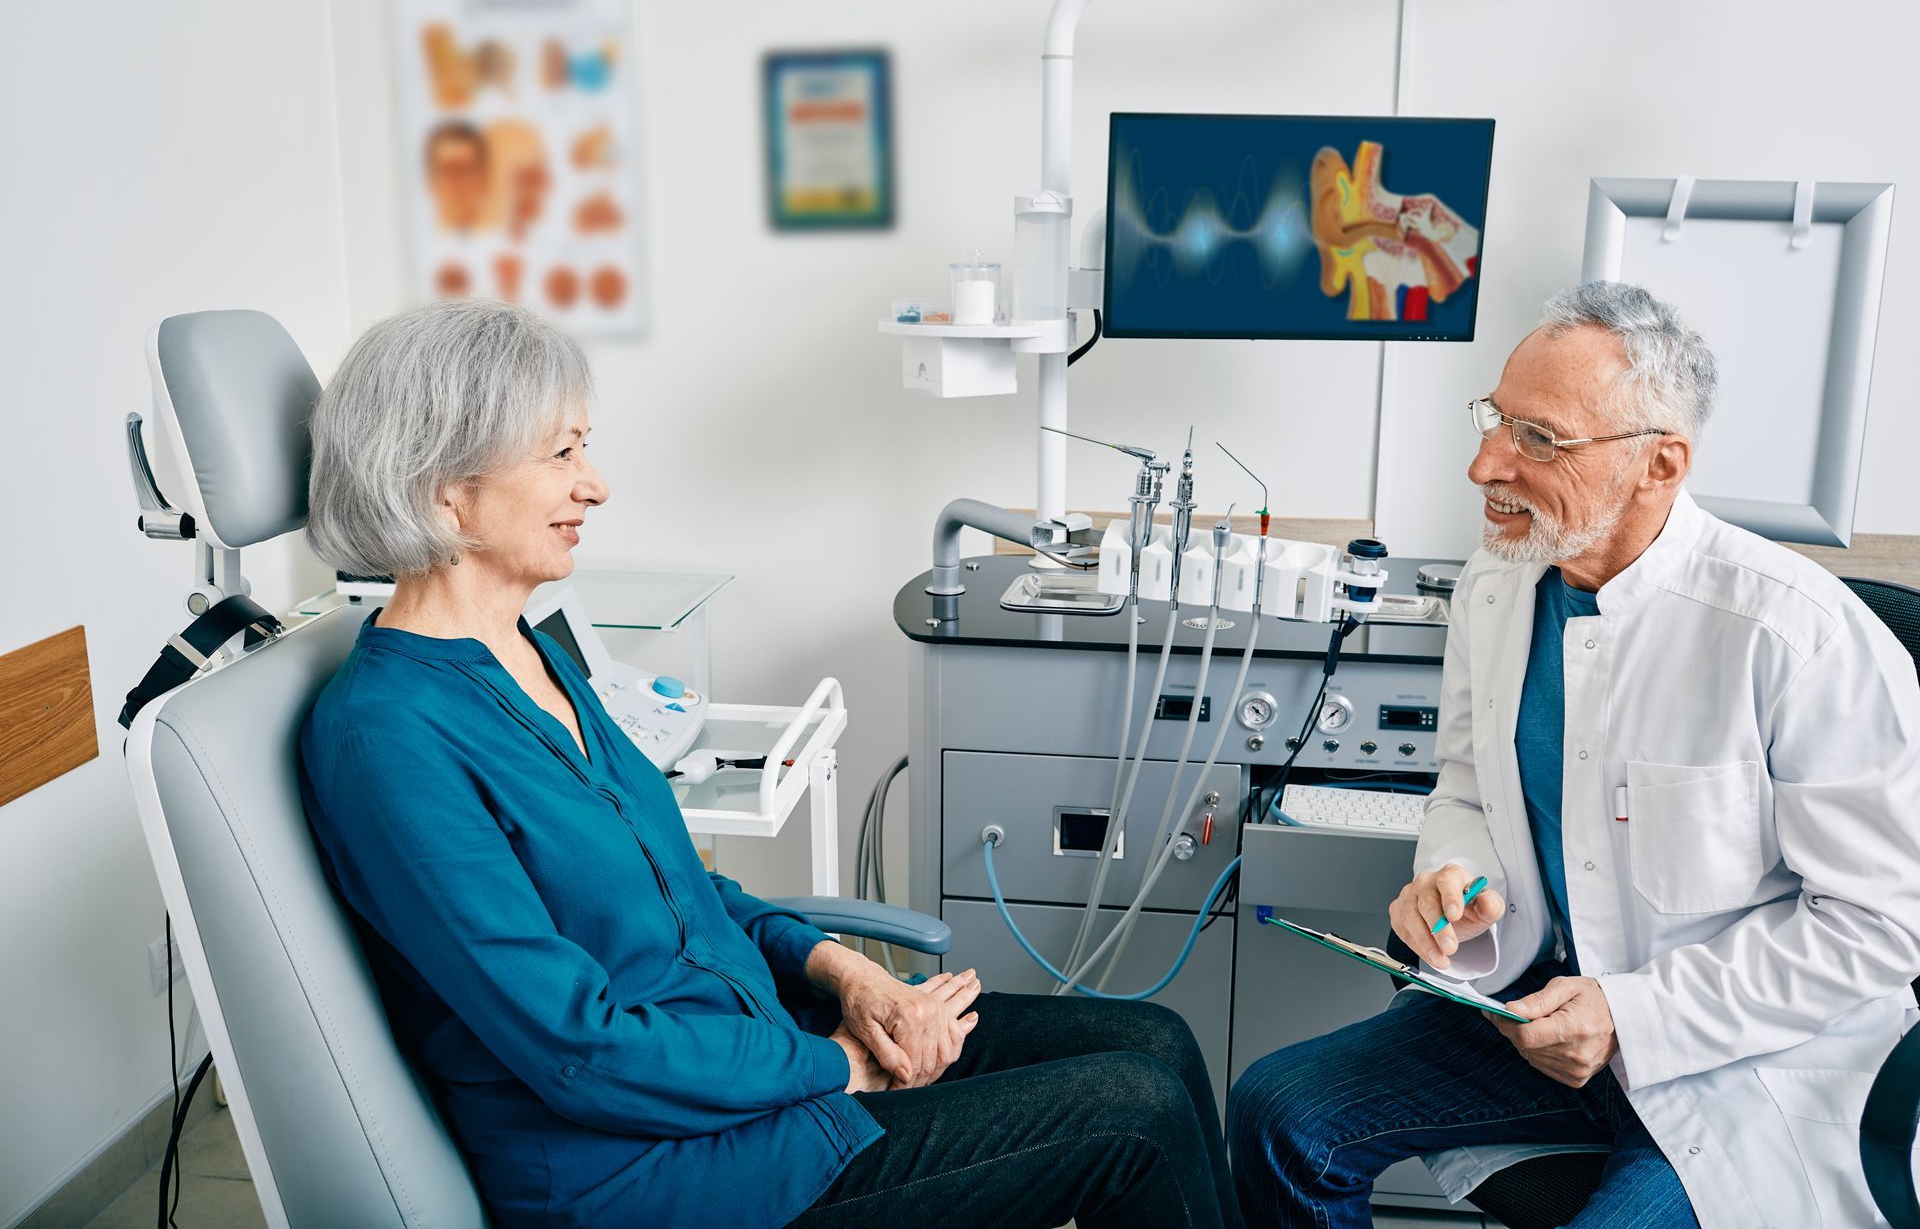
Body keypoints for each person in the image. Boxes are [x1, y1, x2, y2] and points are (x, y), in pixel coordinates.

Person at [299, 298, 1243, 1229]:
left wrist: (848, 976)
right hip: (660, 1173)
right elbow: (580, 1050)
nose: (595, 485)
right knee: (1137, 1119)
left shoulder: (530, 650)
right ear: (444, 488)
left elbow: (687, 893)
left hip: (758, 1059)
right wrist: (841, 1064)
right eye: (562, 453)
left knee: (1154, 1040)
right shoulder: (388, 738)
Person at [1227, 281, 1920, 1228]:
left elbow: (1880, 928)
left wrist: (1634, 1015)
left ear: (1659, 463)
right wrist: (1454, 877)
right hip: (1534, 1016)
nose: (1482, 464)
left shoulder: (1795, 636)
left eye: (1537, 439)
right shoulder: (1498, 582)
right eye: (1494, 421)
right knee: (1280, 1113)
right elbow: (1468, 782)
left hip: (1740, 1055)